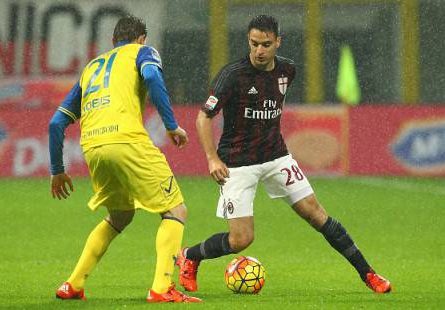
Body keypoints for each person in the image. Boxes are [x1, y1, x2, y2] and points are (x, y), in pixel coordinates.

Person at [176, 15, 391, 294]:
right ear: (248, 42)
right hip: (237, 163)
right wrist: (212, 158)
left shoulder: (287, 71)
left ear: (278, 42)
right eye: (254, 44)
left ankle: (369, 275)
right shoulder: (232, 75)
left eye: (266, 44)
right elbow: (203, 118)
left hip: (277, 157)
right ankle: (190, 256)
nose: (259, 51)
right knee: (241, 239)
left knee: (317, 215)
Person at [48, 15, 201, 303]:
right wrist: (171, 125)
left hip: (92, 147)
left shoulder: (91, 68)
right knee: (175, 211)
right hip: (126, 140)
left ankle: (73, 284)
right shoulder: (143, 52)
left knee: (120, 215)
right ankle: (161, 288)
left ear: (112, 41)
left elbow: (56, 123)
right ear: (142, 38)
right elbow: (153, 77)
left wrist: (57, 170)